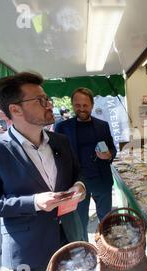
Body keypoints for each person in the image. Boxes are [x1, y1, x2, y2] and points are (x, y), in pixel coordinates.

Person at [0, 72, 86, 271]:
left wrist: (79, 186)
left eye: (47, 98)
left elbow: (77, 174)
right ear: (15, 109)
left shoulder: (60, 140)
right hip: (27, 250)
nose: (49, 105)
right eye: (40, 101)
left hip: (70, 235)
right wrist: (34, 202)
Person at [54, 88, 117, 241]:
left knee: (106, 219)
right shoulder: (62, 127)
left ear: (92, 105)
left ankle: (108, 247)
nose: (81, 109)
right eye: (78, 105)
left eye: (85, 105)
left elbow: (112, 148)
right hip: (77, 182)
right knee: (80, 221)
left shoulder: (102, 125)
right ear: (72, 104)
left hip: (101, 180)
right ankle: (85, 250)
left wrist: (109, 155)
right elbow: (57, 156)